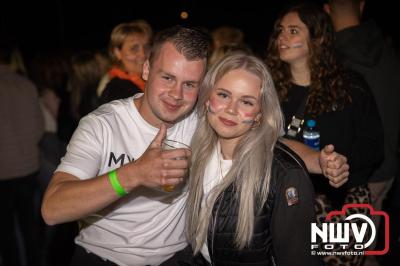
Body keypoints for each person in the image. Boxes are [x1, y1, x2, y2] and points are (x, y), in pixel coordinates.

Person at [42, 25, 348, 266]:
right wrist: (132, 175)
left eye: (189, 84)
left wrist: (318, 160)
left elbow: (266, 138)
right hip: (103, 259)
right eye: (167, 77)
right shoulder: (102, 125)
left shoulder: (202, 119)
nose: (177, 94)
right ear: (146, 71)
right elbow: (52, 209)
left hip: (178, 260)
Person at [265, 3, 384, 265]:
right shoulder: (268, 88)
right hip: (287, 201)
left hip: (339, 201)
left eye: (293, 30)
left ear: (318, 38)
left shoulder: (349, 86)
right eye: (280, 30)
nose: (282, 37)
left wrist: (339, 164)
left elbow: (374, 146)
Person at [186, 52, 320, 265]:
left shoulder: (285, 176)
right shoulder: (197, 154)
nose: (231, 109)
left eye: (246, 102)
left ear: (259, 115)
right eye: (223, 95)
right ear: (207, 98)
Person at [324, 0, 400, 261]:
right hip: (385, 168)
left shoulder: (330, 58)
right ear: (362, 5)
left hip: (345, 173)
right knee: (361, 250)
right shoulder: (389, 53)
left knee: (342, 253)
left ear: (326, 9)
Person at [0, 41, 44, 266]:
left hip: (3, 172)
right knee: (29, 224)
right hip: (27, 166)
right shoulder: (26, 84)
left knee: (6, 229)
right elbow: (39, 127)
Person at [98, 20, 153, 104]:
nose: (143, 54)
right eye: (134, 48)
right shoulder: (116, 91)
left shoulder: (151, 80)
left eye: (146, 47)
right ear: (117, 53)